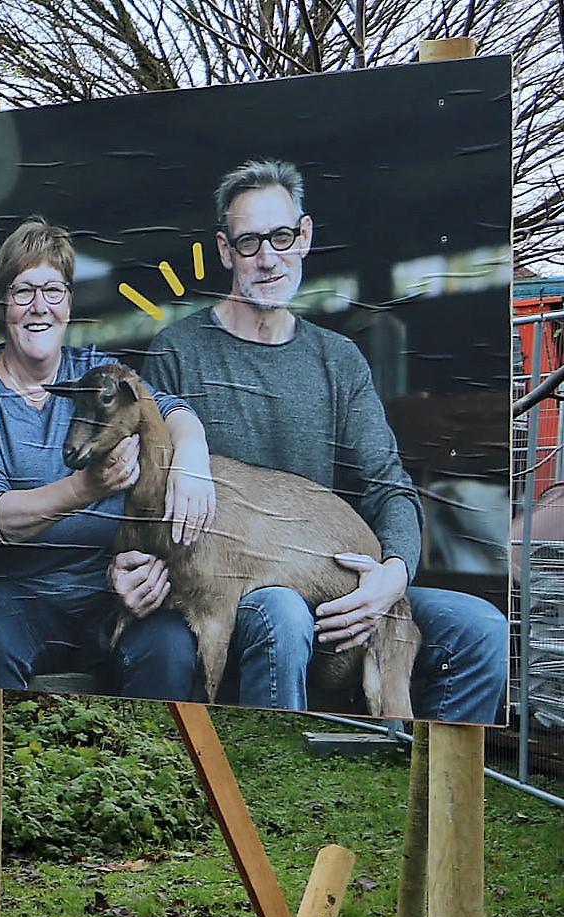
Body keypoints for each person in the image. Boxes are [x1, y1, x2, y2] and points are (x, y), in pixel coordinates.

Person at [131, 158, 507, 723]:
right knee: (281, 611)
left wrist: (391, 576)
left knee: (481, 630)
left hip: (332, 580)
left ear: (304, 236)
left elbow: (389, 487)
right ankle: (275, 795)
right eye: (249, 241)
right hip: (232, 586)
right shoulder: (178, 351)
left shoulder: (338, 360)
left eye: (281, 236)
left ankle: (417, 789)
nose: (268, 257)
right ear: (225, 249)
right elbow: (140, 485)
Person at [0, 218, 216, 694]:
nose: (39, 307)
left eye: (53, 290)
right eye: (23, 290)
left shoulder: (98, 372)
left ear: (69, 302)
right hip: (18, 596)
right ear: (2, 303)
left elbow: (170, 410)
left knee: (171, 647)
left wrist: (192, 461)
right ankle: (1, 767)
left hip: (112, 588)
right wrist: (85, 489)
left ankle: (143, 768)